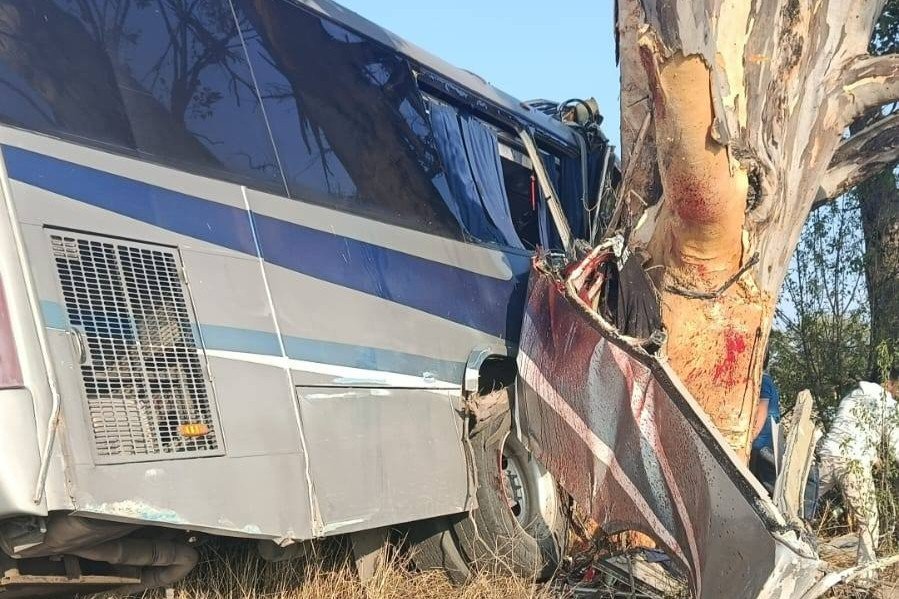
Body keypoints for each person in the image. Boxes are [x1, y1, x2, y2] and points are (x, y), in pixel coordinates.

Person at [817, 365, 899, 567]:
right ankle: (865, 574)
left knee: (801, 504)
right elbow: (896, 444)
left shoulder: (853, 396)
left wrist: (873, 456)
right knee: (869, 521)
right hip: (853, 465)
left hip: (828, 455)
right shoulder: (888, 404)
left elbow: (853, 430)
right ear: (889, 382)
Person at [750, 352, 781, 493]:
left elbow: (762, 410)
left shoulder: (763, 380)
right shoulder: (768, 381)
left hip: (760, 443)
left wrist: (751, 437)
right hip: (765, 443)